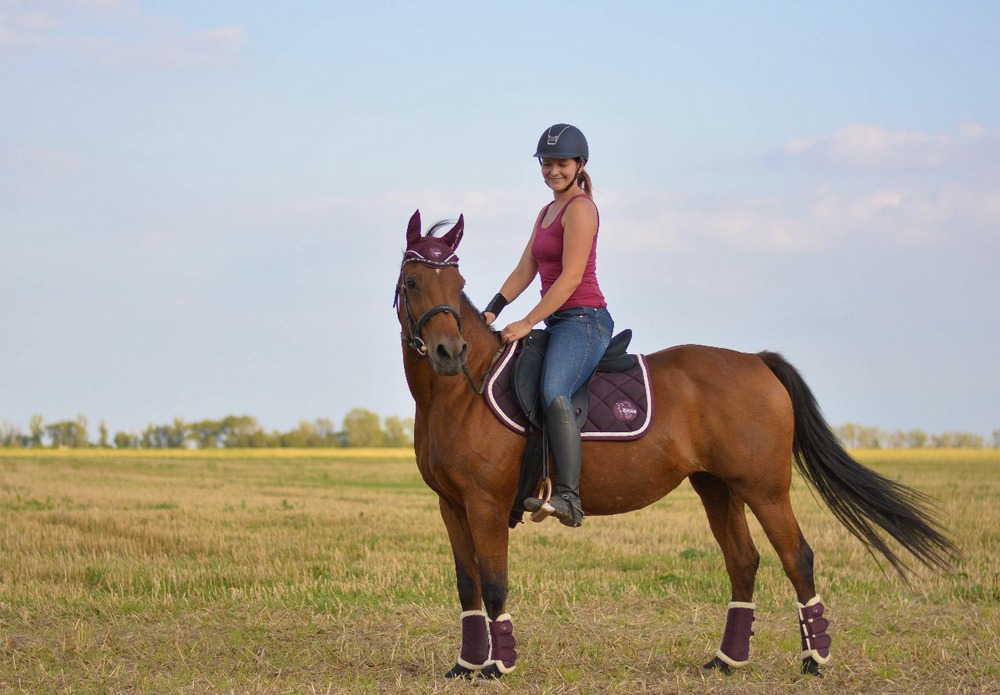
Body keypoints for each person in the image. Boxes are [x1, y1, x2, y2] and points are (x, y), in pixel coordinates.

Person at [482, 123, 614, 528]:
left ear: (579, 165)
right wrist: (492, 310)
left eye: (560, 163)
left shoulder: (581, 209)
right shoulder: (546, 212)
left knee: (554, 389)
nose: (552, 171)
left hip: (584, 320)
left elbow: (571, 278)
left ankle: (570, 498)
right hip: (556, 320)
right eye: (546, 163)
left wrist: (526, 321)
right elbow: (526, 269)